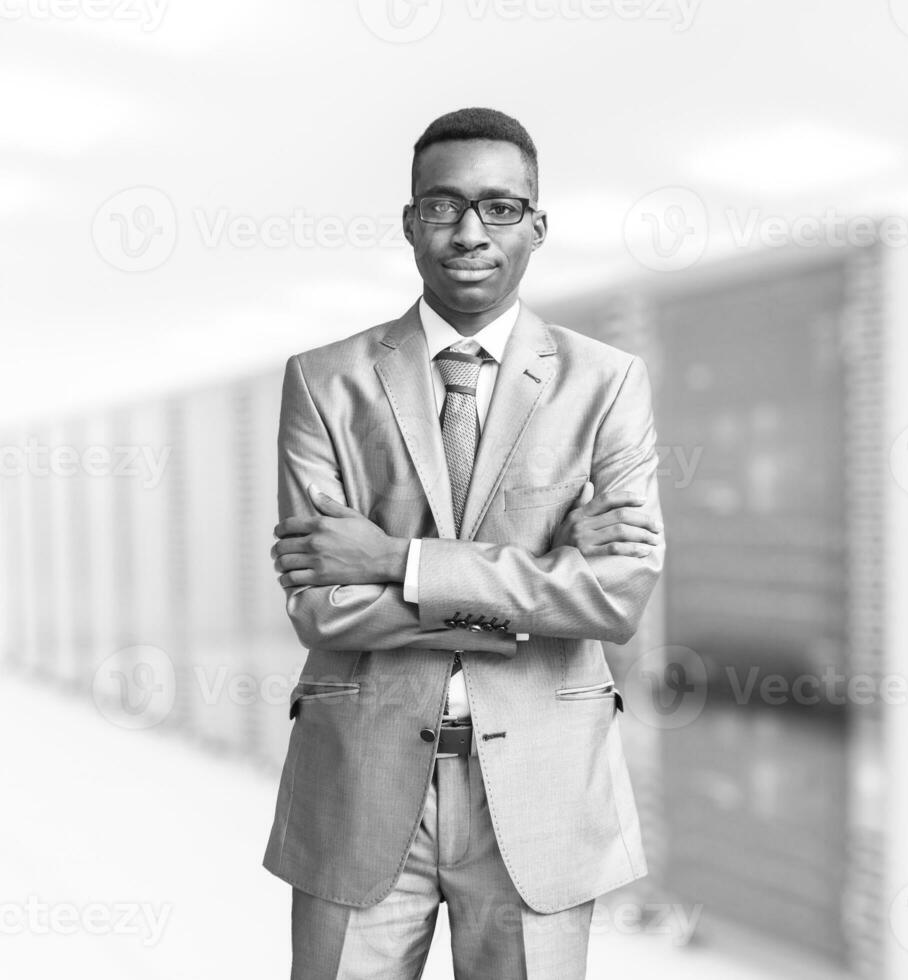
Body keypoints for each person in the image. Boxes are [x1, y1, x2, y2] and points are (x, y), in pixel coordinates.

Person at [263, 106, 664, 979]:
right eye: (442, 207)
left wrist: (392, 561)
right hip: (360, 785)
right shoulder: (324, 382)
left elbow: (617, 597)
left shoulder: (607, 384)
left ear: (538, 225)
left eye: (501, 208)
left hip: (543, 797)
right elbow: (323, 607)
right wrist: (536, 593)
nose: (470, 233)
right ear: (411, 221)